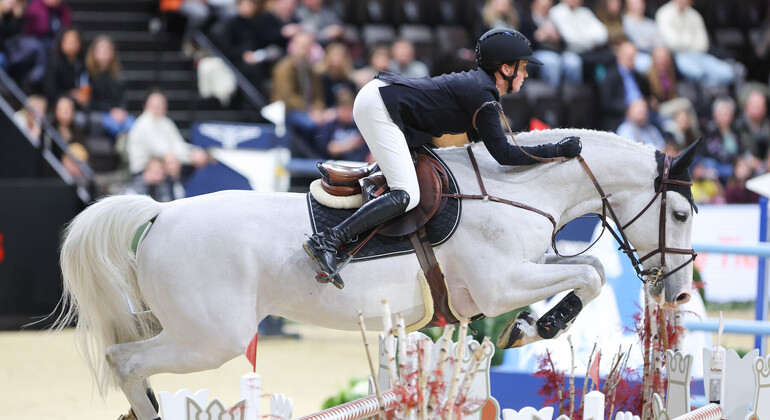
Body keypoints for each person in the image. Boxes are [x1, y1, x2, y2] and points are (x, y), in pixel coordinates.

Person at [303, 29, 582, 287]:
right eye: (522, 68)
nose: (526, 74)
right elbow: (505, 154)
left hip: (386, 104)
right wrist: (557, 150)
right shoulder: (483, 94)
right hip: (381, 106)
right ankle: (328, 241)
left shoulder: (481, 89)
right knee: (406, 194)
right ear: (505, 69)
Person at [126, 90, 209, 200]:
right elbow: (160, 149)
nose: (158, 106)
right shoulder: (144, 123)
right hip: (143, 171)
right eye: (154, 103)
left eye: (161, 103)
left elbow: (178, 145)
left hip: (164, 165)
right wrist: (179, 158)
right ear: (145, 106)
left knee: (194, 159)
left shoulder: (166, 122)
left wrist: (194, 153)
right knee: (171, 162)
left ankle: (179, 194)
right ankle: (171, 198)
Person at [655, 0, 734, 87]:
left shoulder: (695, 15)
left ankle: (710, 88)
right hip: (678, 56)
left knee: (728, 73)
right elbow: (672, 44)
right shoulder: (664, 13)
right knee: (697, 74)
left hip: (699, 55)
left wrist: (683, 41)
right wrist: (691, 40)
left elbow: (703, 44)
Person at [518, 0, 582, 88]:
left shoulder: (555, 20)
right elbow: (521, 45)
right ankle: (552, 95)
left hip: (558, 52)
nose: (545, 9)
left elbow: (565, 43)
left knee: (573, 61)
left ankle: (572, 94)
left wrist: (558, 38)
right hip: (536, 53)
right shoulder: (526, 20)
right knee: (552, 62)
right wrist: (537, 37)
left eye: (548, 6)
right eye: (543, 6)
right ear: (534, 6)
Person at [85, 35, 134, 139]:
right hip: (99, 112)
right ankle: (122, 141)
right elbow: (88, 101)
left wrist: (120, 110)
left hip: (116, 112)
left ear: (112, 53)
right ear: (94, 52)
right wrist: (111, 110)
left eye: (107, 50)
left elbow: (122, 98)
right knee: (115, 126)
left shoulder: (118, 75)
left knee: (133, 124)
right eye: (101, 50)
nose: (104, 53)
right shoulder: (87, 75)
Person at [43, 27, 87, 105]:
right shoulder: (54, 64)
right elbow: (50, 92)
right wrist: (69, 95)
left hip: (79, 105)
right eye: (69, 41)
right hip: (59, 105)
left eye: (75, 41)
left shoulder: (82, 64)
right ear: (61, 43)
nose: (72, 44)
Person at [736, 89, 770, 159]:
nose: (759, 109)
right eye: (756, 106)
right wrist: (749, 159)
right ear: (747, 107)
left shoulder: (767, 124)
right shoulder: (738, 125)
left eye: (761, 106)